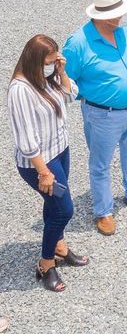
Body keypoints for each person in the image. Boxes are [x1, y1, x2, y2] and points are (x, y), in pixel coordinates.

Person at [63, 0, 127, 237]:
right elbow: (64, 80)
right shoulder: (78, 43)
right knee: (100, 164)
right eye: (117, 13)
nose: (122, 16)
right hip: (102, 114)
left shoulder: (125, 33)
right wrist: (92, 97)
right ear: (103, 16)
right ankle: (103, 211)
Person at [9, 35, 89, 292]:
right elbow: (25, 137)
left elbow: (71, 94)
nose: (52, 65)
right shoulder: (21, 89)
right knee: (64, 210)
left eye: (56, 60)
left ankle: (59, 245)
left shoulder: (48, 78)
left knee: (53, 204)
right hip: (40, 161)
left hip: (60, 151)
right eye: (49, 62)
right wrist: (43, 172)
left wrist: (61, 72)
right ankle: (45, 263)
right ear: (35, 61)